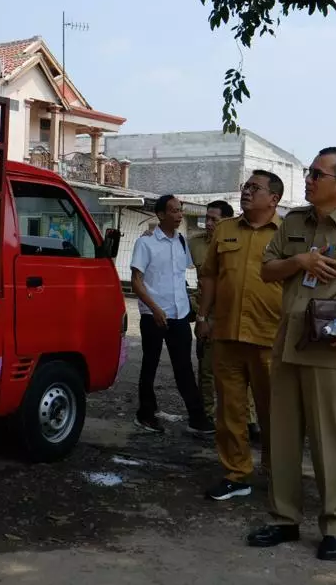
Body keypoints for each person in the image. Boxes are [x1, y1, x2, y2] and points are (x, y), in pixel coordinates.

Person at [247, 147, 336, 562]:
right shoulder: (293, 222)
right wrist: (300, 260)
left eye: (317, 173)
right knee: (282, 439)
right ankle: (283, 519)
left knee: (332, 442)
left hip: (331, 348)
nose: (308, 178)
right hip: (288, 345)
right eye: (309, 172)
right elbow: (267, 270)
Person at [196, 171, 284, 501]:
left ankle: (278, 475)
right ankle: (237, 473)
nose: (246, 191)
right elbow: (210, 278)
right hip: (227, 334)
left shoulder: (287, 234)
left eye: (255, 188)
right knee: (229, 411)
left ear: (273, 199)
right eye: (246, 186)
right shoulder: (225, 230)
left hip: (269, 336)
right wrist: (203, 317)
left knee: (274, 412)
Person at [130, 195, 215, 435]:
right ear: (160, 215)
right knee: (150, 364)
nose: (179, 215)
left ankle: (196, 418)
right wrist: (155, 309)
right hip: (153, 315)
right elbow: (137, 282)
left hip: (179, 314)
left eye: (180, 210)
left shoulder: (180, 241)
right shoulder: (145, 243)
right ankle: (145, 414)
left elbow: (183, 273)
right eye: (174, 211)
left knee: (184, 367)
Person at [188, 200, 234, 424]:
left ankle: (245, 417)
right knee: (206, 369)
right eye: (206, 218)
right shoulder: (194, 244)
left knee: (235, 371)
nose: (208, 223)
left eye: (214, 219)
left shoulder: (237, 244)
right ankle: (207, 414)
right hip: (206, 312)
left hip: (233, 313)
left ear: (226, 220)